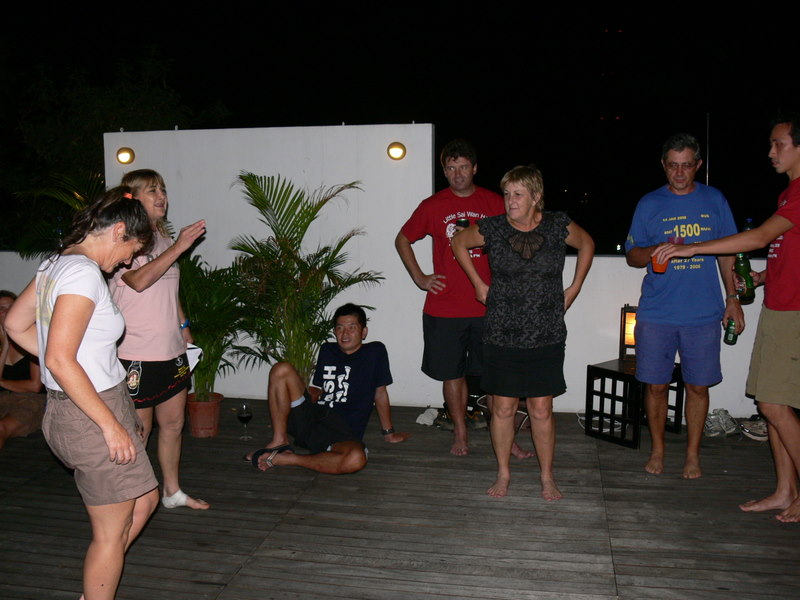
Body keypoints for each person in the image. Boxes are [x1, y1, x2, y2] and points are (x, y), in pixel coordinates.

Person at [5, 187, 160, 600]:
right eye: (131, 250)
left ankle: (93, 591)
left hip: (91, 402)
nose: (127, 261)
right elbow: (59, 358)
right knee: (110, 534)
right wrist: (109, 425)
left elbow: (16, 325)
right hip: (89, 413)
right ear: (119, 230)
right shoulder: (83, 273)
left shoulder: (56, 263)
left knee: (146, 500)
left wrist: (70, 362)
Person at [654, 114, 800, 521]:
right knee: (771, 403)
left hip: (794, 313)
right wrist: (763, 276)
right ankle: (785, 491)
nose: (770, 152)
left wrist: (689, 248)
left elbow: (758, 238)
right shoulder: (787, 195)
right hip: (777, 305)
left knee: (774, 404)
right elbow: (785, 253)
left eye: (778, 144)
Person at [452, 165, 594, 500]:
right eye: (507, 194)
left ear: (535, 197)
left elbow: (587, 244)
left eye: (518, 194)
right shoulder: (494, 228)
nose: (510, 201)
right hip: (502, 332)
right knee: (502, 409)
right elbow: (458, 242)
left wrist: (574, 288)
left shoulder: (558, 225)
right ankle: (503, 473)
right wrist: (479, 284)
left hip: (546, 332)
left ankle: (547, 476)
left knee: (541, 410)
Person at [625, 133, 743, 480]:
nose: (679, 173)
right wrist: (655, 250)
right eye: (673, 166)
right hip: (657, 312)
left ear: (698, 165)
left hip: (702, 312)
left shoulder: (714, 199)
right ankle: (658, 450)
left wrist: (732, 299)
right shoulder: (649, 203)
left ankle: (692, 454)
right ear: (663, 165)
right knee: (656, 386)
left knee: (698, 386)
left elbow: (728, 252)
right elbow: (632, 256)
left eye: (687, 165)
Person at [395, 139, 505, 457]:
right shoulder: (432, 205)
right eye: (451, 168)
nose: (458, 174)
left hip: (487, 307)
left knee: (495, 377)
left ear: (475, 168)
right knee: (452, 374)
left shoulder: (495, 203)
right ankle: (460, 432)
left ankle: (505, 435)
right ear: (444, 171)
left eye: (463, 167)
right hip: (444, 308)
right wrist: (420, 278)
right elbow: (402, 239)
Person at [109, 169, 208, 510]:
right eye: (152, 190)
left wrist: (184, 326)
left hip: (172, 350)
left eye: (163, 189)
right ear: (133, 197)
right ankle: (131, 499)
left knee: (174, 424)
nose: (161, 196)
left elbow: (168, 288)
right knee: (140, 431)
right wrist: (180, 246)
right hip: (136, 353)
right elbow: (137, 281)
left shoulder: (163, 238)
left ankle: (172, 492)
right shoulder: (124, 238)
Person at [246, 303, 409, 474]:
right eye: (340, 328)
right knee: (281, 369)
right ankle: (279, 441)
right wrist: (308, 395)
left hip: (342, 432)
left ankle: (288, 458)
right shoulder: (327, 350)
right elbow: (320, 389)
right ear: (335, 332)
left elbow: (380, 393)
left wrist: (389, 433)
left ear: (364, 332)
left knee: (355, 458)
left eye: (352, 327)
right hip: (314, 418)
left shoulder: (375, 352)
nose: (345, 333)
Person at [0, 290, 45, 448]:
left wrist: (2, 382)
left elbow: (35, 386)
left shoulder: (31, 338)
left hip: (30, 400)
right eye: (1, 309)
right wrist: (5, 346)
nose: (6, 312)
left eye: (11, 307)